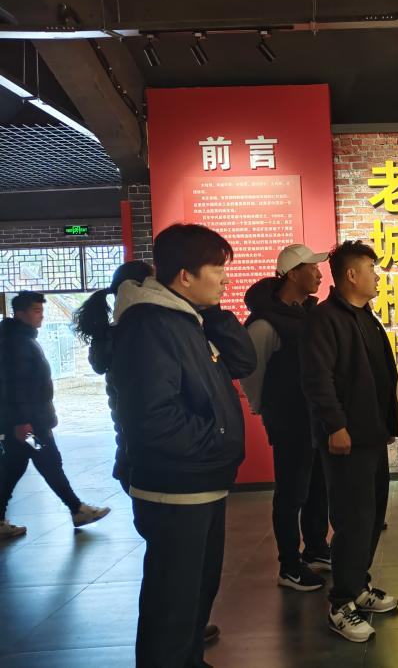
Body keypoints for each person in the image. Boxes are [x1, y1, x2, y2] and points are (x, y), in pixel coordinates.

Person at [111, 224, 256, 668]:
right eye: (217, 268)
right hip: (174, 489)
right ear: (185, 275)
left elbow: (243, 360)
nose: (225, 278)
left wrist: (214, 312)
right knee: (172, 605)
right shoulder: (150, 324)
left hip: (200, 482)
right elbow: (152, 419)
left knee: (197, 596)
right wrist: (218, 438)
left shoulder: (187, 317)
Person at [301, 240, 398, 643]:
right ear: (352, 275)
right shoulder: (325, 319)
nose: (377, 277)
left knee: (373, 516)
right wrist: (335, 425)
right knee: (351, 520)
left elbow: (381, 376)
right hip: (346, 439)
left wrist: (389, 422)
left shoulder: (366, 318)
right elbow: (317, 379)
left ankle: (358, 584)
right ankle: (340, 603)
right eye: (371, 270)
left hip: (372, 436)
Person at [240, 244, 331, 593]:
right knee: (291, 492)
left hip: (315, 417)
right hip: (289, 418)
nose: (319, 274)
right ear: (292, 273)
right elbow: (252, 370)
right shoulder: (265, 322)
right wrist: (264, 406)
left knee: (318, 486)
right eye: (312, 268)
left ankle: (316, 549)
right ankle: (289, 565)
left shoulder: (308, 313)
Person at [0, 291, 110, 539]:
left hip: (29, 423)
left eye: (42, 310)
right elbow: (15, 385)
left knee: (18, 467)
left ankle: (77, 509)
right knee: (47, 461)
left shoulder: (21, 339)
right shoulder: (16, 343)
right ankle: (77, 509)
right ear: (20, 314)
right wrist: (22, 422)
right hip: (29, 427)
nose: (41, 315)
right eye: (36, 310)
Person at [73, 260, 154, 494]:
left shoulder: (109, 332)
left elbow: (99, 366)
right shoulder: (144, 328)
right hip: (143, 427)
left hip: (124, 423)